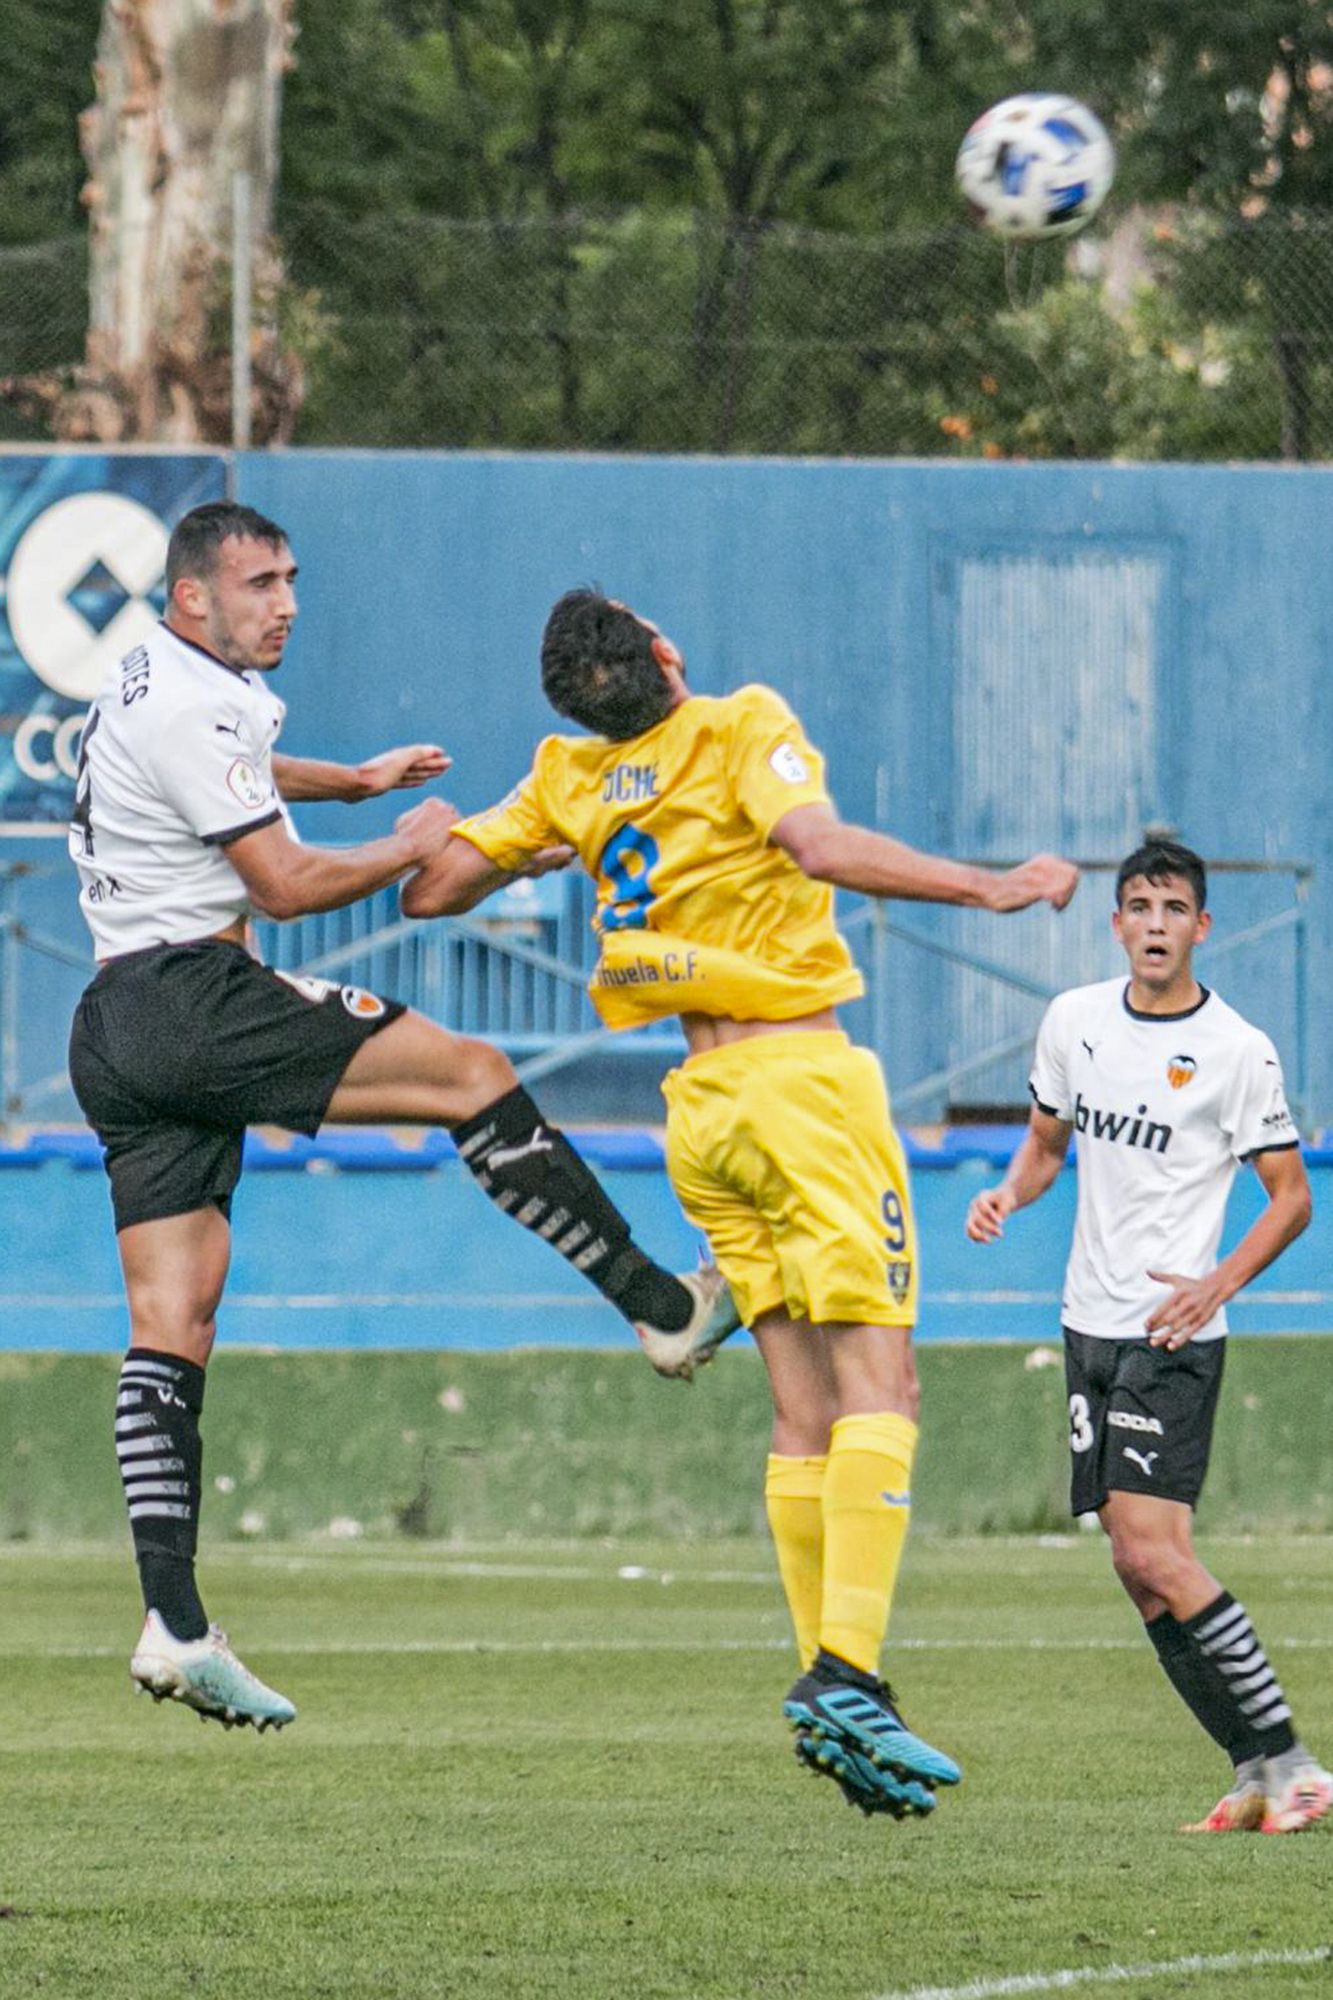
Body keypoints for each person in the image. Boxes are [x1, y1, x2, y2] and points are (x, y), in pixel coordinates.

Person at [399, 587, 1079, 1819]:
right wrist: (992, 888)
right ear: (662, 650)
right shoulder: (736, 722)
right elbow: (815, 844)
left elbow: (429, 893)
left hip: (701, 1108)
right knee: (884, 1388)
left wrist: (537, 837)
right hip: (802, 1082)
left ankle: (831, 1676)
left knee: (799, 1407)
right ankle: (849, 1674)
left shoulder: (564, 774)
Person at [66, 511, 735, 1734]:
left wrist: (351, 775)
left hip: (115, 1025)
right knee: (471, 1070)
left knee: (173, 1321)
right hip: (198, 995)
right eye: (259, 583)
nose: (288, 602)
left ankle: (173, 1620)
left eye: (292, 580)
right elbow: (281, 883)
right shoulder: (198, 703)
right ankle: (662, 1307)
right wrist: (399, 839)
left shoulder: (155, 679)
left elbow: (224, 779)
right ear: (191, 597)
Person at [966, 838, 1330, 1835]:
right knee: (1135, 1567)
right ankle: (1254, 1769)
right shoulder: (1073, 1023)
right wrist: (1005, 1191)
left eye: (1174, 907)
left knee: (1154, 1549)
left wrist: (1216, 1280)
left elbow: (1290, 1197)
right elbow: (1045, 1147)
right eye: (1138, 905)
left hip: (1173, 1332)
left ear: (1201, 927)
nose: (1156, 923)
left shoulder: (1236, 1049)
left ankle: (1297, 1762)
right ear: (1117, 922)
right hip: (1085, 1324)